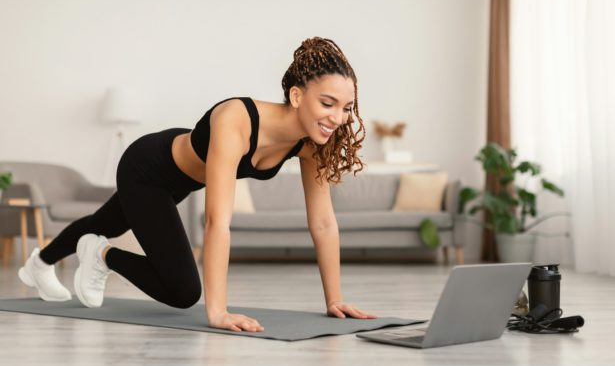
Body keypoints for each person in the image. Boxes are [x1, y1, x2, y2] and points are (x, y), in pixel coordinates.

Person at [18, 36, 378, 332]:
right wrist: (217, 312)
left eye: (346, 108)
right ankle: (100, 254)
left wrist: (334, 300)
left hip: (180, 181)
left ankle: (40, 263)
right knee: (184, 291)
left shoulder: (312, 143)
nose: (337, 118)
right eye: (328, 103)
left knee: (104, 222)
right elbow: (217, 221)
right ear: (298, 96)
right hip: (146, 168)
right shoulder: (237, 119)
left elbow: (323, 222)